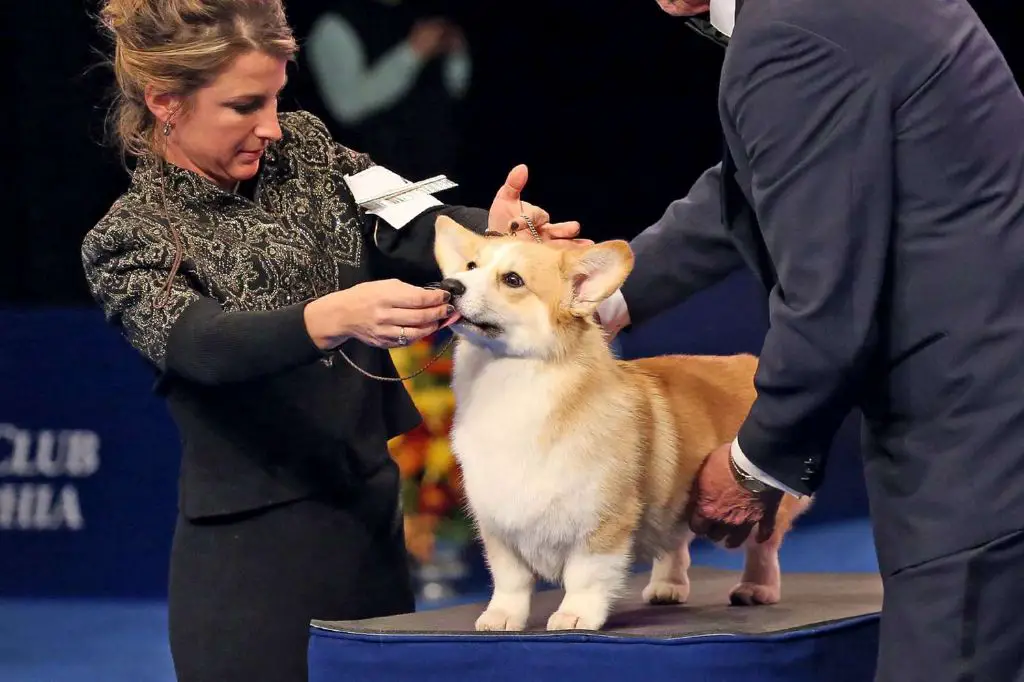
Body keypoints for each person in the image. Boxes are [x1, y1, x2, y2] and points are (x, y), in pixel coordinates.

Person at [82, 2, 580, 681]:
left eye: (277, 99)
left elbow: (406, 221)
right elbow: (202, 346)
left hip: (371, 525)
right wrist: (333, 315)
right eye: (244, 106)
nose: (269, 126)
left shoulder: (306, 145)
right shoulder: (128, 238)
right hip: (249, 559)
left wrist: (488, 236)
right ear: (167, 102)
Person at [596, 0, 1024, 680]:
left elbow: (827, 305)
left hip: (971, 423)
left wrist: (754, 463)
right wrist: (609, 290)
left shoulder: (787, 36)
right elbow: (750, 187)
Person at [303, 0, 471, 183]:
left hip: (441, 172)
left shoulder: (424, 14)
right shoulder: (334, 24)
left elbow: (455, 91)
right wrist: (412, 52)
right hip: (374, 183)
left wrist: (456, 51)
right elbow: (348, 106)